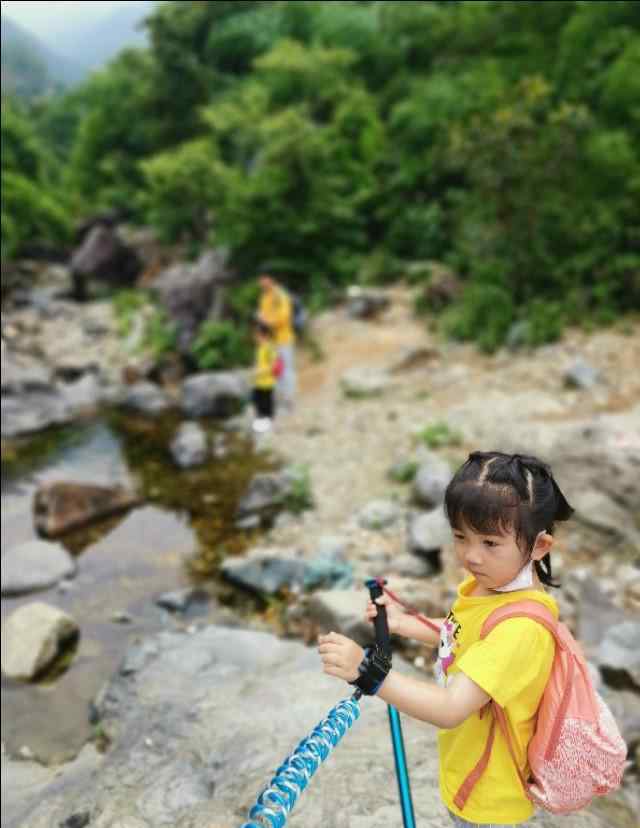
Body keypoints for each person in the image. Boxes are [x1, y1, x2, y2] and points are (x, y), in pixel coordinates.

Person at [318, 451, 575, 827]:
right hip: (469, 773)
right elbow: (461, 634)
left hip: (488, 799)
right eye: (460, 536)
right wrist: (404, 624)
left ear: (539, 546)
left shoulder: (521, 631)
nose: (471, 556)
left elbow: (450, 708)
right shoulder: (492, 588)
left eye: (490, 543)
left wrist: (367, 673)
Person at [257, 274, 296, 412]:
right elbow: (262, 315)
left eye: (263, 279)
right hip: (271, 341)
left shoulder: (280, 295)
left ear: (271, 279)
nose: (261, 282)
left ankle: (289, 402)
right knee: (276, 371)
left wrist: (268, 321)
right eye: (260, 280)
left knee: (287, 370)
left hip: (284, 338)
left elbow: (285, 316)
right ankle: (280, 401)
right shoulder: (264, 297)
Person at [251, 318, 278, 433]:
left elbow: (274, 365)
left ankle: (268, 426)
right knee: (257, 402)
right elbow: (259, 363)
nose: (255, 337)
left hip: (267, 383)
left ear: (265, 335)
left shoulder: (269, 347)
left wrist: (261, 371)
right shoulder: (260, 348)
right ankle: (260, 424)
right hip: (258, 382)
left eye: (257, 335)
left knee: (266, 405)